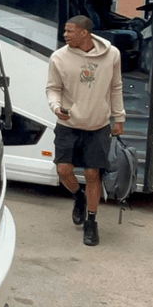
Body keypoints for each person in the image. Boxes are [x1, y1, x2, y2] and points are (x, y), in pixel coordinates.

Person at [45, 16, 125, 247]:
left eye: (70, 31)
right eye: (65, 31)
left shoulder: (112, 55)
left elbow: (116, 87)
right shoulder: (58, 58)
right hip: (68, 124)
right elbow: (53, 89)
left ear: (84, 33)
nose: (65, 35)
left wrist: (119, 117)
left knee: (93, 174)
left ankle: (91, 221)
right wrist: (56, 107)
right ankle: (77, 196)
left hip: (98, 125)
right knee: (63, 170)